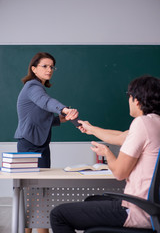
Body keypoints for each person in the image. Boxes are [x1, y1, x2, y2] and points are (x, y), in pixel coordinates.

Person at [50, 75, 160, 232]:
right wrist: (90, 128)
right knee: (91, 200)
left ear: (136, 100)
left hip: (138, 210)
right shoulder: (154, 122)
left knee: (58, 215)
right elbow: (120, 137)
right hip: (152, 207)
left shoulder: (142, 123)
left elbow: (120, 173)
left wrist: (106, 153)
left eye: (129, 97)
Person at [14, 52, 79, 233]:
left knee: (41, 193)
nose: (49, 69)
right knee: (33, 194)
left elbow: (44, 119)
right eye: (45, 66)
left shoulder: (39, 88)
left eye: (52, 66)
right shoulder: (32, 86)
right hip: (28, 145)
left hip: (42, 145)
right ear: (34, 69)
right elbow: (46, 102)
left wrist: (66, 117)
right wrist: (64, 109)